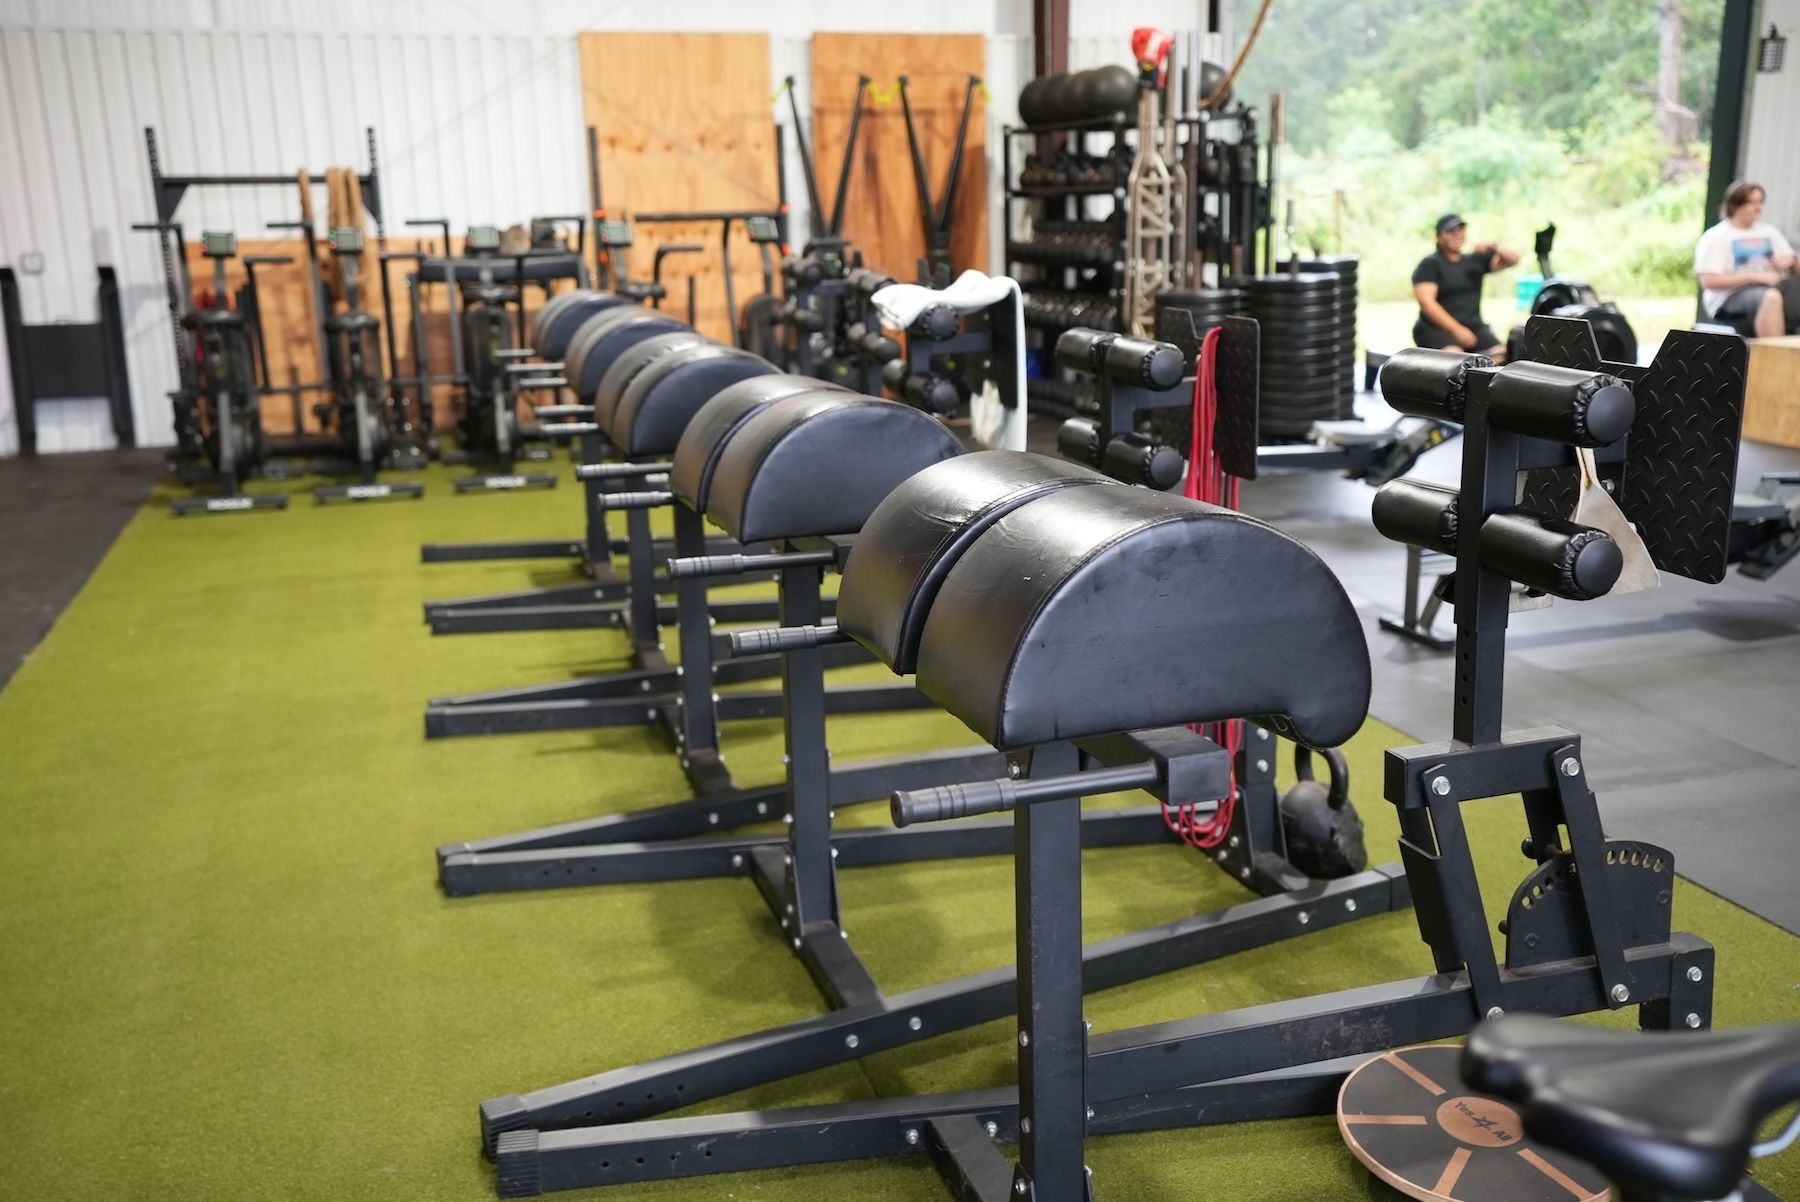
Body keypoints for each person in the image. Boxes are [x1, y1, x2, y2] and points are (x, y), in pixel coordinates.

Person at [1695, 180, 1797, 338]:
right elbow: (1708, 281)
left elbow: (1795, 267)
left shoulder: (1770, 232)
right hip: (1730, 298)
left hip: (1774, 286)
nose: (1758, 208)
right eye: (1751, 202)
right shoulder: (1716, 237)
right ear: (1735, 205)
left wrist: (1792, 261)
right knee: (1770, 297)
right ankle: (1773, 355)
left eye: (1760, 202)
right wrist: (1756, 277)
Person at [1412, 214, 1520, 358]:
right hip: (1436, 329)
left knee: (1502, 355)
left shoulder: (1474, 260)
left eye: (1460, 230)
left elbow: (1513, 259)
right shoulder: (1430, 264)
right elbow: (1427, 303)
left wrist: (1492, 247)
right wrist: (1457, 330)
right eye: (1450, 232)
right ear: (1438, 236)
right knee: (1454, 360)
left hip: (1474, 326)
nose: (1457, 235)